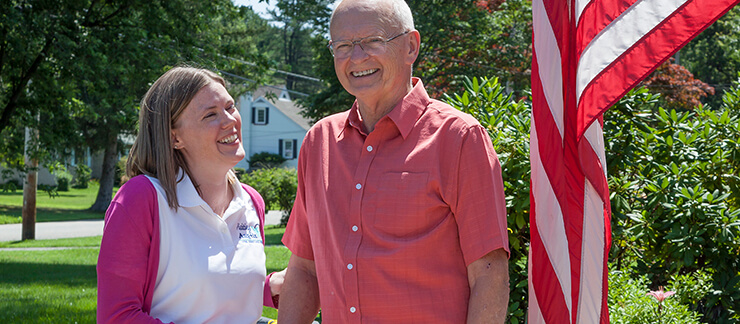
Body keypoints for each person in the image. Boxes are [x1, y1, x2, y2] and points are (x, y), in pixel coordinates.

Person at [277, 0, 510, 323]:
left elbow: (488, 272)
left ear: (410, 46)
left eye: (373, 41)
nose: (357, 58)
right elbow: (305, 269)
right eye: (343, 45)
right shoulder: (319, 142)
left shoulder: (459, 138)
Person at [97, 66, 284, 323]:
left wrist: (270, 288)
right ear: (175, 137)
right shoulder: (141, 198)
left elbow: (209, 290)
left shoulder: (252, 201)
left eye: (230, 107)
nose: (230, 120)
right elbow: (116, 317)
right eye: (210, 115)